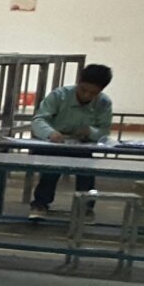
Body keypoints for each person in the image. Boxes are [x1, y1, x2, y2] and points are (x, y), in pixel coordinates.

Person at [29, 64, 115, 217]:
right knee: (51, 170)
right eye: (83, 90)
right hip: (53, 145)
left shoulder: (104, 103)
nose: (86, 95)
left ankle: (86, 208)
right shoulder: (59, 96)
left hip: (82, 147)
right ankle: (40, 204)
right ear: (78, 82)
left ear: (101, 91)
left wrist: (91, 132)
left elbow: (104, 132)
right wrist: (50, 133)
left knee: (87, 172)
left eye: (93, 93)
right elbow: (38, 120)